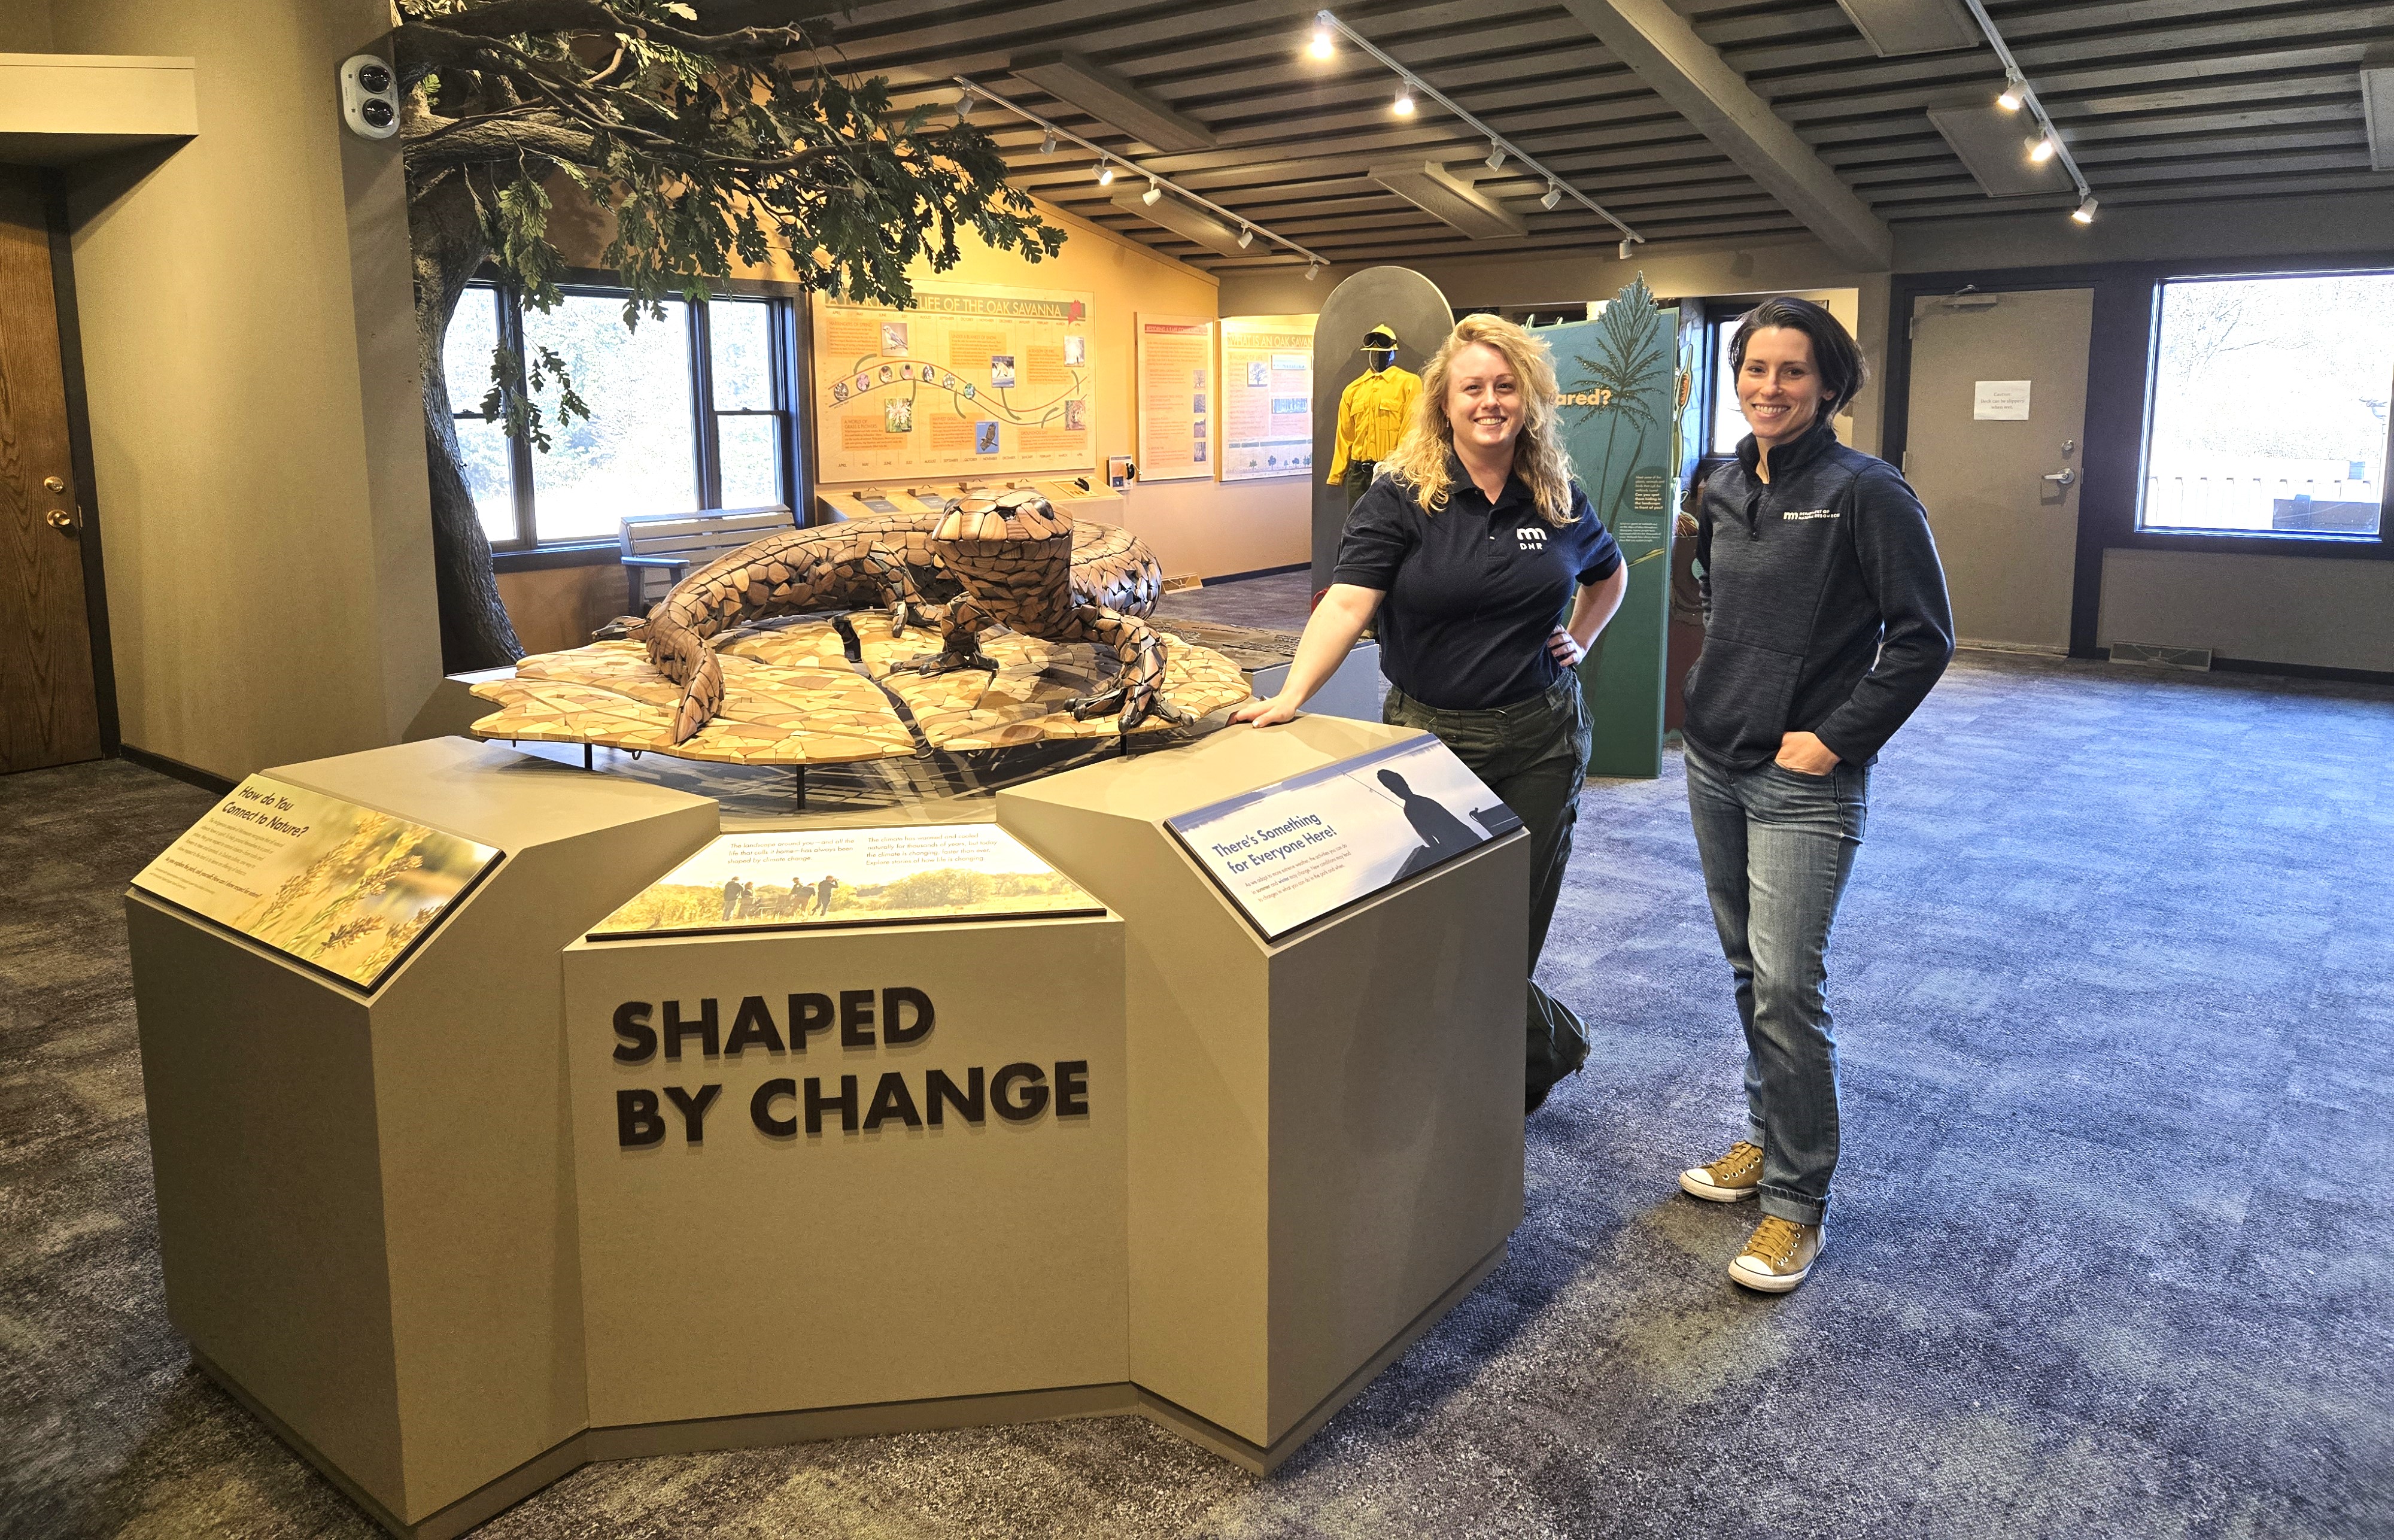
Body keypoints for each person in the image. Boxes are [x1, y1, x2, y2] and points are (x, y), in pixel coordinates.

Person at [1235, 314, 1627, 1113]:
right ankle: (1551, 1044)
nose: (1490, 401)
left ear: (1529, 397)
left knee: (1512, 924)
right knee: (1428, 924)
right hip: (1432, 741)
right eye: (1472, 387)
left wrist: (1580, 640)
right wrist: (1292, 694)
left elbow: (1609, 573)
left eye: (1506, 386)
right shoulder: (1402, 496)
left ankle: (1494, 1080)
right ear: (1444, 403)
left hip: (1544, 738)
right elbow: (1347, 602)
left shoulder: (1554, 493)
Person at [1675, 296, 1954, 1293]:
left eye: (1792, 371)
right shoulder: (1716, 480)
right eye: (1755, 368)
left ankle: (1796, 1204)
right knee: (1750, 971)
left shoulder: (1867, 491)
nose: (1770, 387)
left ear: (1830, 384)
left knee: (1791, 985)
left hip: (1802, 778)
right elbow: (1719, 598)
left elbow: (1924, 637)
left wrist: (1836, 736)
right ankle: (1766, 1135)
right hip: (1714, 758)